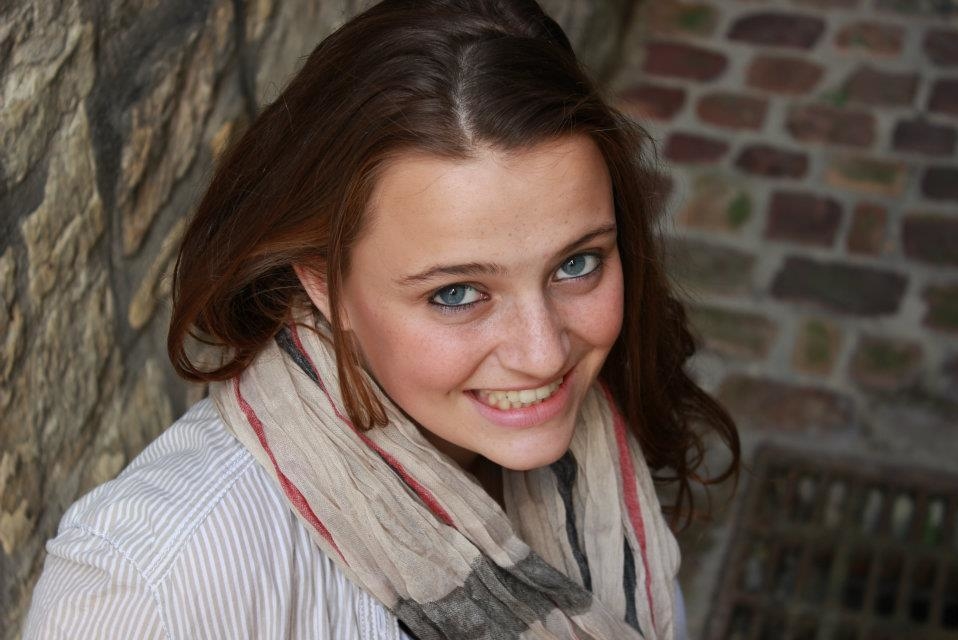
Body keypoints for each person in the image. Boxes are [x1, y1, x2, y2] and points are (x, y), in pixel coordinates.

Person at [24, 0, 739, 638]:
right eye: (457, 293)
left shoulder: (589, 437)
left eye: (577, 264)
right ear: (322, 282)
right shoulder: (151, 588)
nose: (544, 353)